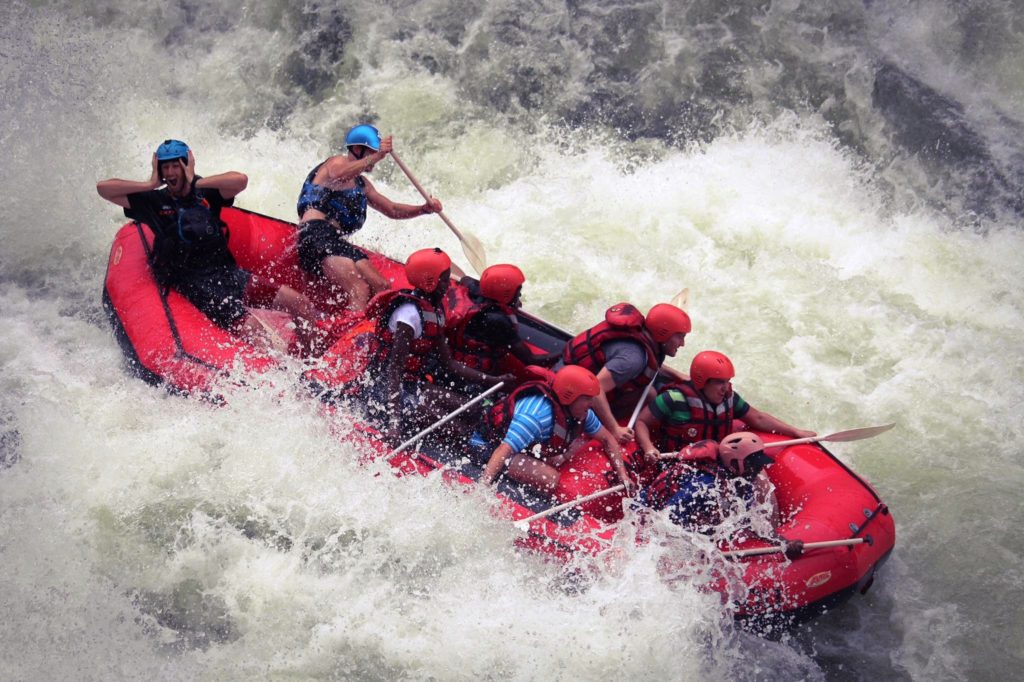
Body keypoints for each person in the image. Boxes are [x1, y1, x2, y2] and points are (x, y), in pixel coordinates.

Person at [97, 139, 323, 351]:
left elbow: (240, 180)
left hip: (229, 274)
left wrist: (195, 180)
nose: (169, 173)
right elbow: (103, 189)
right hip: (196, 283)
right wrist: (150, 183)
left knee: (301, 304)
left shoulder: (205, 192)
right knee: (257, 334)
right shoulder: (154, 201)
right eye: (165, 168)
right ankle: (289, 379)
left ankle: (307, 357)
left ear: (186, 165)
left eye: (175, 166)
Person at [362, 247, 514, 441]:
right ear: (429, 282)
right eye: (444, 279)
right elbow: (394, 369)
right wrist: (394, 422)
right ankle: (470, 446)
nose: (447, 284)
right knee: (457, 428)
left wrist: (495, 380)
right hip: (382, 387)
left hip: (410, 384)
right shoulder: (409, 316)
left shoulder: (434, 310)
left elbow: (449, 364)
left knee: (473, 409)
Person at [296, 124, 443, 311]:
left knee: (382, 287)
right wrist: (378, 155)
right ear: (357, 149)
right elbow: (338, 175)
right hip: (315, 235)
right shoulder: (336, 163)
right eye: (371, 153)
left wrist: (423, 209)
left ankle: (375, 330)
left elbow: (392, 209)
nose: (374, 162)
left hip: (335, 240)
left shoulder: (362, 184)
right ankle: (353, 336)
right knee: (360, 289)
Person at [635, 432, 804, 558]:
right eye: (753, 464)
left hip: (688, 518)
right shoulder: (704, 485)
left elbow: (754, 522)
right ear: (734, 462)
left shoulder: (741, 483)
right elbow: (665, 521)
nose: (759, 469)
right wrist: (694, 550)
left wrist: (783, 543)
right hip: (648, 514)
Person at [472, 365, 633, 495]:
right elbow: (503, 450)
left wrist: (622, 475)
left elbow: (607, 439)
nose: (591, 404)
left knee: (564, 454)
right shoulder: (536, 415)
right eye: (587, 398)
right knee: (550, 478)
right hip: (488, 446)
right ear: (570, 395)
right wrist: (483, 487)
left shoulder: (584, 414)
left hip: (520, 449)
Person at [634, 350, 816, 464]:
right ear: (702, 381)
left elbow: (758, 418)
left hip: (719, 462)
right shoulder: (673, 398)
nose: (725, 387)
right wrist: (649, 447)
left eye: (728, 381)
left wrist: (795, 431)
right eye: (720, 382)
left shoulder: (729, 399)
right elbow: (641, 422)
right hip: (680, 464)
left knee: (759, 478)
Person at [560, 302, 692, 443]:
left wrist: (676, 375)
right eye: (680, 337)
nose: (682, 343)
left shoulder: (644, 337)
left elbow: (648, 362)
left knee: (650, 394)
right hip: (571, 392)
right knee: (650, 394)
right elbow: (596, 390)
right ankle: (602, 427)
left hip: (581, 377)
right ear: (663, 334)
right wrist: (615, 429)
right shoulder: (633, 359)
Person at [444, 263, 561, 381]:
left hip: (454, 357)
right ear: (506, 294)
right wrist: (566, 351)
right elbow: (532, 360)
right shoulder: (496, 320)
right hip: (474, 376)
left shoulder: (472, 286)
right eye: (518, 291)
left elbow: (465, 279)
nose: (520, 294)